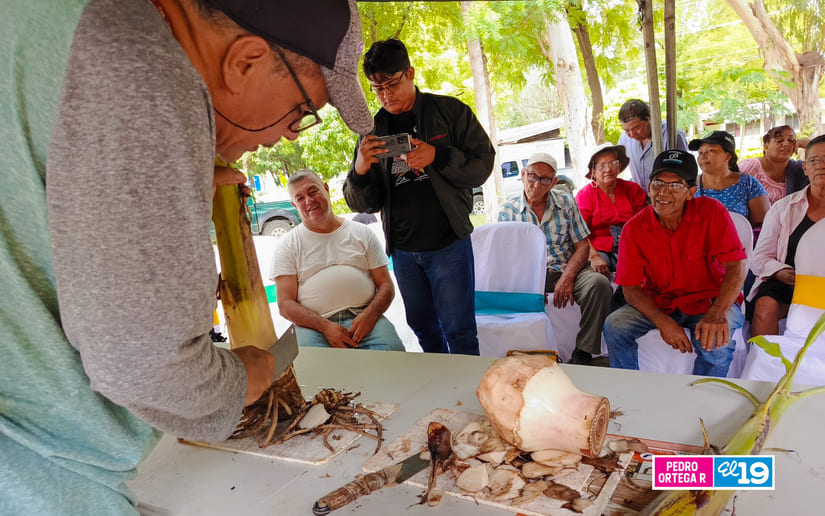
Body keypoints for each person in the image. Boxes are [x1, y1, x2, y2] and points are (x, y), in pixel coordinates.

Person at [1, 0, 373, 513]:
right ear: (244, 61)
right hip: (38, 467)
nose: (289, 134)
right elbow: (147, 367)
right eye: (302, 112)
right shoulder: (143, 67)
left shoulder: (67, 18)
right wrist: (240, 378)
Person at [344, 39, 495, 356]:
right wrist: (360, 169)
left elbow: (482, 164)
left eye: (392, 84)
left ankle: (468, 385)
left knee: (460, 330)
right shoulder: (372, 130)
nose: (386, 95)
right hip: (403, 251)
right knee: (423, 327)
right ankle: (439, 381)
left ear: (410, 73)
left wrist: (438, 156)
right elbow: (363, 204)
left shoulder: (449, 112)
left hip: (448, 244)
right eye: (377, 88)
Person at [603, 150, 747, 377]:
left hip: (710, 301)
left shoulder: (711, 212)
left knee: (716, 344)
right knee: (615, 324)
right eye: (658, 183)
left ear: (691, 192)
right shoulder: (634, 228)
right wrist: (663, 322)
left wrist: (717, 313)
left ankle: (702, 395)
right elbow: (630, 288)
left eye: (675, 185)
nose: (663, 192)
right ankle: (628, 387)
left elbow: (736, 267)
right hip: (662, 302)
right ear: (649, 187)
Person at [498, 153, 613, 365]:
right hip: (530, 274)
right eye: (532, 176)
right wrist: (530, 284)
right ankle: (532, 355)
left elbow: (582, 246)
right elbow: (507, 259)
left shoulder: (566, 203)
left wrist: (568, 277)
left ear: (553, 182)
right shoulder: (508, 211)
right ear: (523, 175)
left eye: (545, 179)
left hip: (567, 267)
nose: (536, 184)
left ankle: (583, 351)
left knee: (599, 284)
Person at [271, 170, 404, 351]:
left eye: (313, 191)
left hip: (365, 317)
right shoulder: (287, 245)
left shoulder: (362, 233)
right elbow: (285, 304)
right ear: (294, 205)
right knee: (307, 364)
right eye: (300, 198)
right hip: (312, 327)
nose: (309, 201)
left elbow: (386, 285)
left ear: (326, 188)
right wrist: (325, 327)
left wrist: (371, 314)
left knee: (393, 351)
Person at [748, 134, 825, 337]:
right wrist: (780, 271)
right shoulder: (784, 208)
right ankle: (765, 356)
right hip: (791, 283)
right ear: (805, 168)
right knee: (765, 306)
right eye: (814, 161)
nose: (820, 166)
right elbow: (759, 258)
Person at [575, 142, 648, 274]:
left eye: (613, 163)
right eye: (601, 166)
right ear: (593, 172)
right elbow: (579, 232)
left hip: (631, 245)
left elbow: (645, 223)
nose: (608, 169)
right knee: (598, 275)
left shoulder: (632, 189)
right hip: (598, 249)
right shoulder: (585, 195)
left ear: (619, 167)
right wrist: (594, 256)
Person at [690, 130, 770, 226]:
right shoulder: (689, 186)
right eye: (700, 152)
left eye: (711, 151)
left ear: (728, 156)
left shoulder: (748, 184)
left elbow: (763, 225)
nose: (703, 156)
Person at [618, 99, 689, 192]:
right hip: (640, 197)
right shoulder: (624, 138)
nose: (632, 134)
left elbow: (684, 171)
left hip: (667, 196)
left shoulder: (672, 135)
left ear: (649, 118)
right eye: (627, 130)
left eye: (636, 128)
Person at [738, 125, 809, 205]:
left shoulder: (799, 169)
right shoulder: (750, 167)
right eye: (779, 140)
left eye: (791, 140)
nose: (786, 144)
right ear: (766, 147)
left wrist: (810, 144)